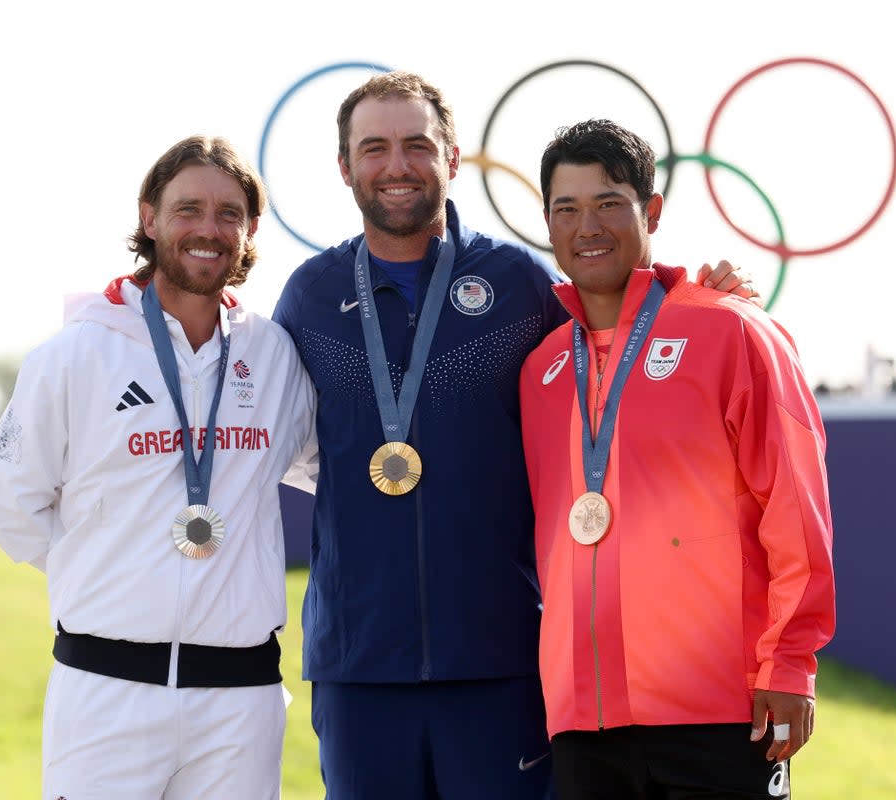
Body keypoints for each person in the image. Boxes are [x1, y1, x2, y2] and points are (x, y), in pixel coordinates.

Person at [273, 70, 757, 799]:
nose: (396, 165)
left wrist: (695, 294)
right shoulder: (309, 297)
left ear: (454, 158)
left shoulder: (517, 284)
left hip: (504, 658)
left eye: (417, 145)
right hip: (358, 662)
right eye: (374, 148)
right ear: (345, 166)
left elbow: (613, 349)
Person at [0, 135, 316, 800]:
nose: (208, 229)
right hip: (106, 691)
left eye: (229, 214)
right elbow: (7, 508)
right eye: (188, 208)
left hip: (239, 700)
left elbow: (325, 470)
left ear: (249, 231)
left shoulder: (274, 353)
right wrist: (110, 562)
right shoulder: (77, 351)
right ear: (149, 218)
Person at [519, 119, 835, 800]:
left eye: (608, 203)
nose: (587, 226)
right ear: (546, 224)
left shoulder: (731, 330)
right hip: (583, 720)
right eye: (566, 209)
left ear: (651, 210)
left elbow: (795, 509)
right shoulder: (541, 369)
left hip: (719, 712)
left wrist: (789, 665)